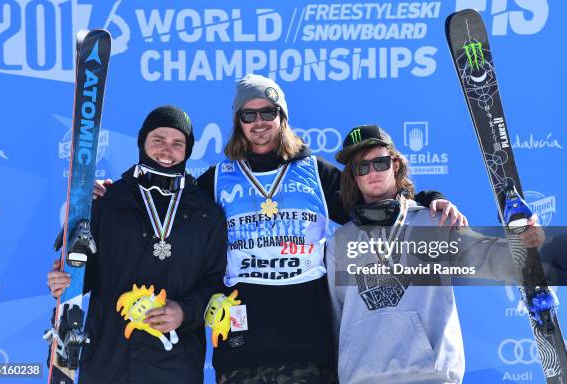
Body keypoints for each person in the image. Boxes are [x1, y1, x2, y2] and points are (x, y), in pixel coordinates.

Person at [92, 75, 468, 382]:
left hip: (310, 348)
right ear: (238, 122)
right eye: (248, 114)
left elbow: (374, 196)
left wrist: (429, 197)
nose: (258, 122)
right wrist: (112, 193)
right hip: (240, 347)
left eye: (268, 112)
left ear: (282, 117)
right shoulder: (217, 180)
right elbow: (166, 202)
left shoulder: (314, 173)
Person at [326, 124, 544, 384]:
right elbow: (334, 320)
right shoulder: (340, 241)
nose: (372, 172)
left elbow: (501, 262)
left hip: (430, 376)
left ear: (395, 165)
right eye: (362, 167)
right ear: (354, 176)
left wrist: (525, 238)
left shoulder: (434, 224)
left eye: (380, 163)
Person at [47, 105, 227, 383]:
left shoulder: (206, 213)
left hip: (176, 363)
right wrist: (65, 280)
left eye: (177, 143)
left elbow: (217, 283)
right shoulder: (109, 200)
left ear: (188, 151)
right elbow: (84, 272)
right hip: (110, 359)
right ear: (142, 142)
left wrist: (185, 312)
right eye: (158, 140)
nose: (167, 151)